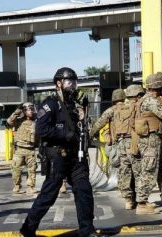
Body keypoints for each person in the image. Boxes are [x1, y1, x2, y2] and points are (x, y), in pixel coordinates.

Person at [20, 67, 105, 237]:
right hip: (57, 155)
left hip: (75, 156)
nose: (72, 85)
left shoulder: (74, 105)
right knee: (49, 194)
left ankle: (87, 229)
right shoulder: (50, 103)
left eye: (74, 82)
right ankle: (27, 229)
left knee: (84, 190)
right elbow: (41, 130)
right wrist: (64, 134)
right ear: (58, 83)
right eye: (68, 82)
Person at [134, 72, 162, 215]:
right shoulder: (151, 100)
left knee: (161, 171)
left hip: (154, 139)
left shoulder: (147, 99)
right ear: (158, 86)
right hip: (150, 140)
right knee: (149, 170)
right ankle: (142, 203)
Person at [90, 88, 137, 210]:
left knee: (122, 169)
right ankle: (136, 197)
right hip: (133, 142)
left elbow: (99, 123)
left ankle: (126, 196)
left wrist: (90, 134)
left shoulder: (111, 110)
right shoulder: (131, 108)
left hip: (118, 143)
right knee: (134, 169)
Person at [7, 102, 38, 194]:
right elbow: (9, 122)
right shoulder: (18, 120)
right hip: (19, 149)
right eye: (28, 109)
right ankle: (17, 185)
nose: (30, 111)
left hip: (31, 149)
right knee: (16, 169)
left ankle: (31, 186)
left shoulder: (36, 121)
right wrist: (17, 111)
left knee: (32, 170)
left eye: (31, 108)